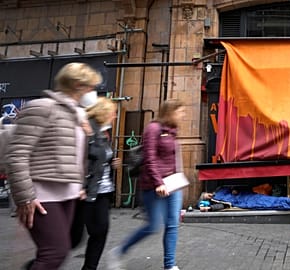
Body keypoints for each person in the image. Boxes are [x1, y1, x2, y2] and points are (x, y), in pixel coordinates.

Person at [6, 62, 101, 270]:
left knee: (58, 251)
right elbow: (18, 153)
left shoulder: (78, 114)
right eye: (91, 87)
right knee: (54, 254)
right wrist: (25, 197)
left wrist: (81, 186)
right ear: (77, 84)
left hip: (67, 194)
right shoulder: (43, 108)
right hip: (42, 194)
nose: (93, 92)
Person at [107, 99, 186, 270]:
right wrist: (158, 183)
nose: (183, 115)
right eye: (180, 111)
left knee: (172, 224)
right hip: (153, 185)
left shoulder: (172, 131)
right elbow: (150, 158)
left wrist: (179, 180)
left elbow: (172, 159)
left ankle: (169, 265)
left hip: (173, 183)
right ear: (170, 112)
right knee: (153, 226)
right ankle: (119, 251)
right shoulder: (153, 128)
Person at [79, 97, 121, 270]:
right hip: (87, 191)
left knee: (101, 231)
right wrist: (81, 185)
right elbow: (80, 160)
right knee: (74, 236)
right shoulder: (87, 130)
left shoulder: (105, 132)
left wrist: (112, 164)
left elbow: (102, 158)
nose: (115, 116)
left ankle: (90, 267)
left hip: (103, 191)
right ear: (104, 112)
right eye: (113, 112)